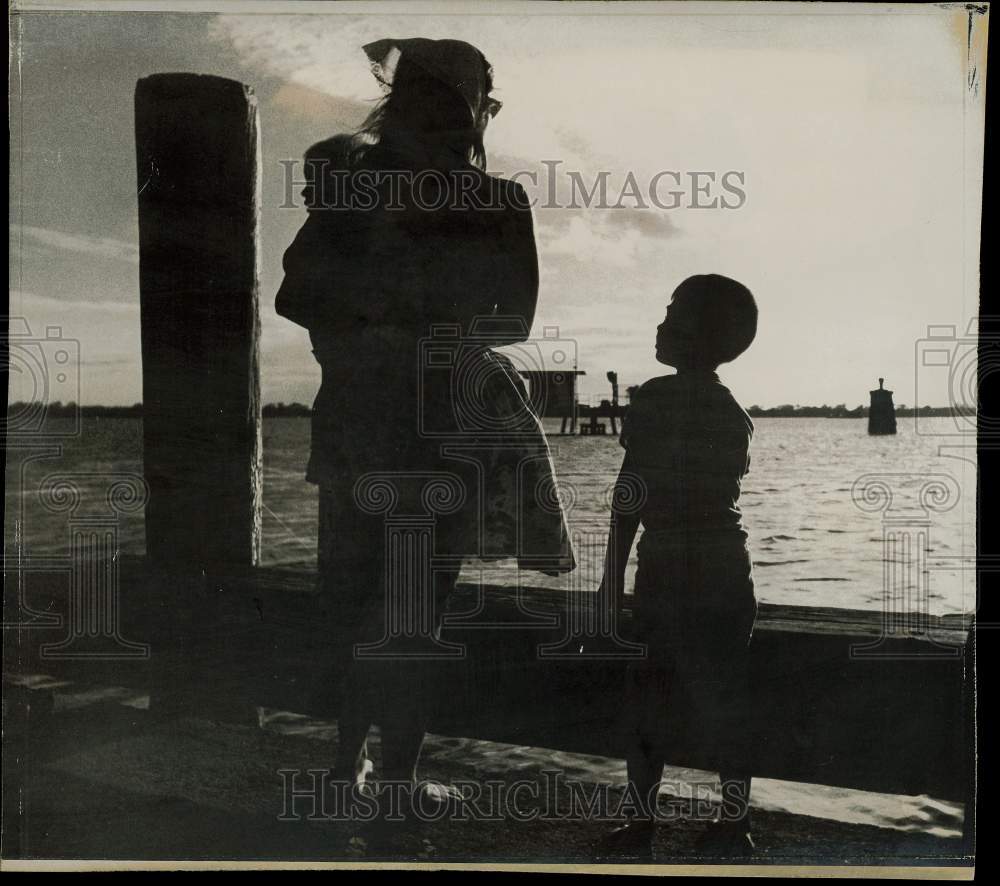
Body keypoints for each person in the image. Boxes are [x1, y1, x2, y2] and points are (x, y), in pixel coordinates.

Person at [275, 37, 574, 847]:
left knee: (349, 598)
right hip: (442, 430)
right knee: (412, 613)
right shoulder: (499, 201)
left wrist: (375, 309)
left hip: (356, 421)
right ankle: (394, 790)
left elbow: (294, 295)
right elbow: (512, 321)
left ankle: (345, 771)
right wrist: (433, 311)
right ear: (472, 110)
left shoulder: (350, 185)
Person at [596, 274, 759, 860]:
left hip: (666, 570)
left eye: (672, 314)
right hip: (725, 570)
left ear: (696, 333)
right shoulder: (734, 412)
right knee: (725, 700)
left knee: (649, 697)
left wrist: (609, 582)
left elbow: (629, 497)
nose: (661, 323)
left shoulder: (654, 400)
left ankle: (640, 823)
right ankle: (735, 823)